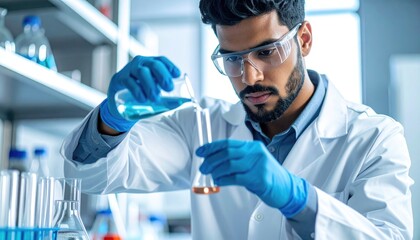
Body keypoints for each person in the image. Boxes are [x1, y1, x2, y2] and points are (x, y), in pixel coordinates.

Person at [61, 0, 413, 239]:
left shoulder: (374, 139)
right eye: (232, 58)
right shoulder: (201, 126)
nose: (249, 76)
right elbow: (90, 174)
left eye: (265, 52)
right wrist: (114, 116)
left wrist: (297, 198)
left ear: (303, 40)